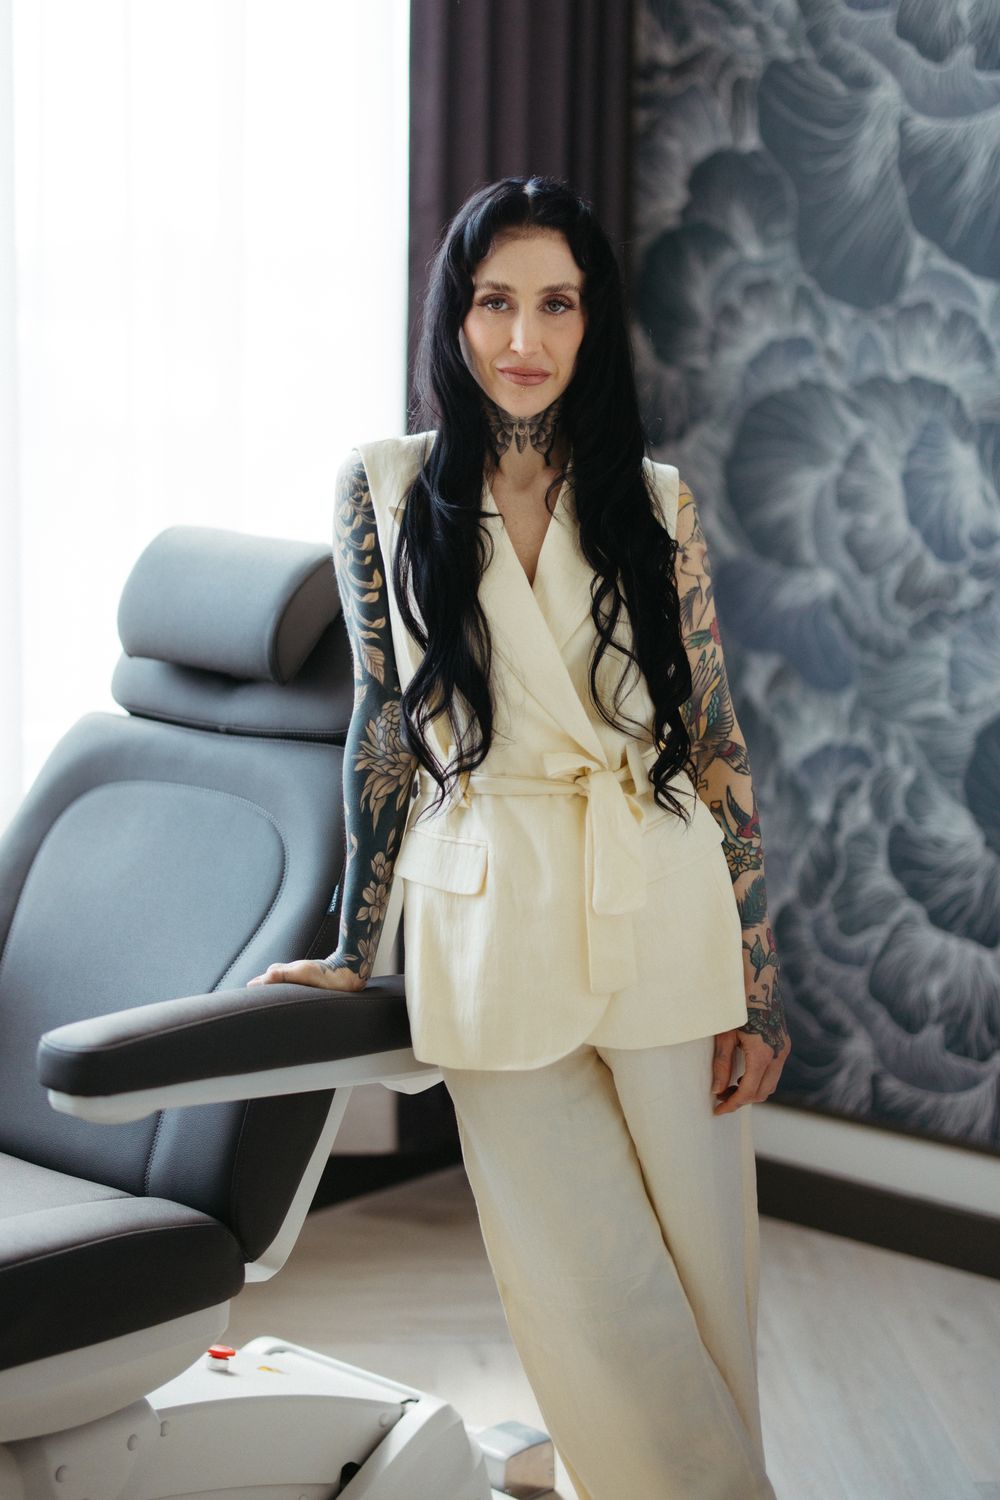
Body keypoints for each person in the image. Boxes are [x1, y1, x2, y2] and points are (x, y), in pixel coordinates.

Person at [250, 175, 790, 1500]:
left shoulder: (654, 503)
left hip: (660, 906)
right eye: (496, 303)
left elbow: (713, 743)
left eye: (556, 304)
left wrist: (761, 978)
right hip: (486, 920)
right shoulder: (383, 489)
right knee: (589, 1293)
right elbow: (384, 726)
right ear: (457, 315)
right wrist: (347, 942)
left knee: (707, 1288)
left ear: (593, 324)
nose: (523, 339)